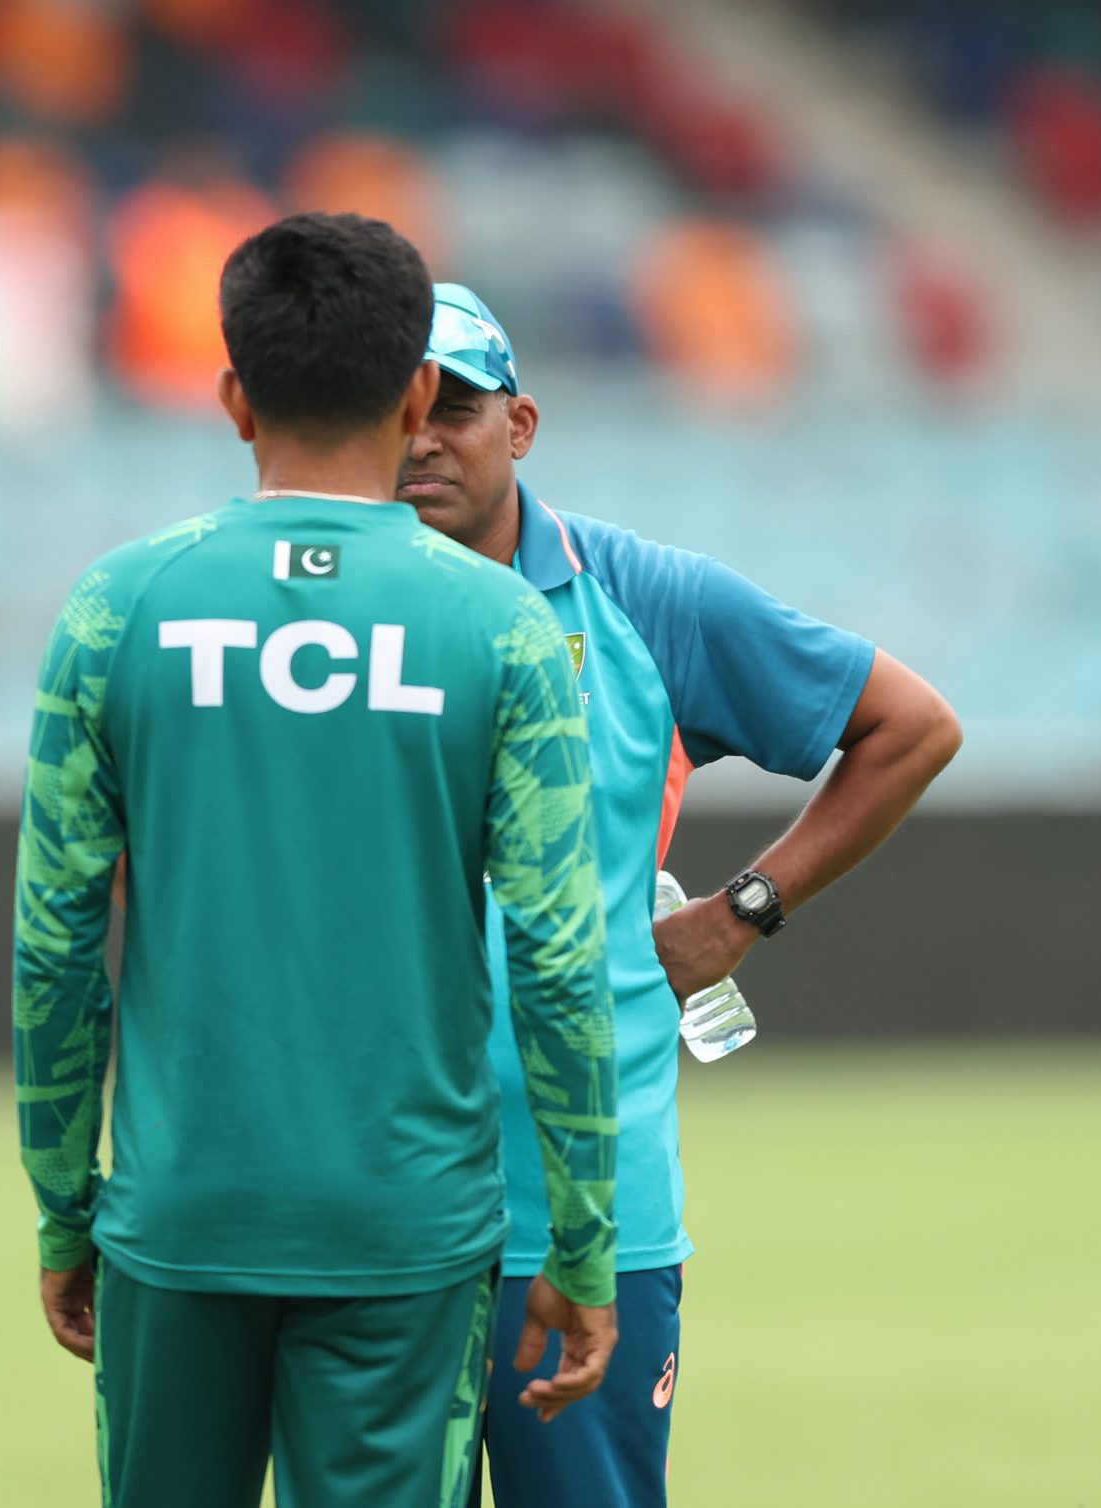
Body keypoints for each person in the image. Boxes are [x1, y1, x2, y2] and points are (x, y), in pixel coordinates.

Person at [11, 212, 622, 1508]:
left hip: (179, 1221)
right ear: (415, 396)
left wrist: (69, 1206)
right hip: (405, 1230)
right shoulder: (506, 631)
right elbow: (563, 959)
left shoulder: (118, 606)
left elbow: (55, 944)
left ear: (233, 397)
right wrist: (581, 1237)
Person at [403, 283, 962, 1508]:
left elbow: (908, 726)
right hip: (372, 1210)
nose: (422, 438)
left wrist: (741, 910)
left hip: (590, 1216)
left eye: (455, 406)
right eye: (394, 410)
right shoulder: (323, 605)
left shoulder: (640, 596)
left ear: (522, 424)